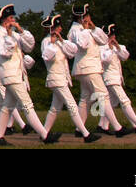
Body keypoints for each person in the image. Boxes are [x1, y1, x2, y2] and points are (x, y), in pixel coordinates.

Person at [0, 4, 58, 145]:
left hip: (16, 74)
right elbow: (5, 52)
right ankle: (45, 136)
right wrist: (9, 35)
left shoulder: (14, 34)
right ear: (4, 20)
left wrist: (21, 30)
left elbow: (29, 46)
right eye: (10, 18)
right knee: (27, 105)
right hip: (9, 74)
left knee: (7, 107)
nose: (13, 20)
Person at [68, 4, 128, 137]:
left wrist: (93, 28)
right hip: (87, 68)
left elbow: (104, 40)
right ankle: (118, 128)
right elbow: (83, 45)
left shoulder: (88, 29)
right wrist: (85, 29)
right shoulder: (75, 30)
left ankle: (79, 129)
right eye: (87, 16)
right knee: (103, 95)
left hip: (89, 68)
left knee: (85, 99)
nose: (89, 18)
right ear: (81, 17)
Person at [40, 14, 99, 142]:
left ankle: (44, 133)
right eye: (58, 27)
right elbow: (46, 57)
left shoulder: (59, 41)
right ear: (53, 28)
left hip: (62, 79)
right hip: (55, 79)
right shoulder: (46, 41)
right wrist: (52, 43)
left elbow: (72, 51)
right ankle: (86, 134)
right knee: (72, 105)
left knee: (55, 108)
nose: (61, 28)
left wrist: (61, 41)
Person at [99, 24, 136, 134]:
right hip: (110, 79)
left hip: (116, 79)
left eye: (113, 35)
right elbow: (106, 60)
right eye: (110, 35)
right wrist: (110, 48)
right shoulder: (101, 48)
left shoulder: (118, 47)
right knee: (125, 101)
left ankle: (103, 125)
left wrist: (117, 47)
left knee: (111, 103)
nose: (112, 37)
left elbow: (125, 56)